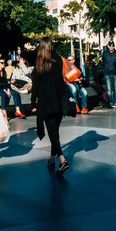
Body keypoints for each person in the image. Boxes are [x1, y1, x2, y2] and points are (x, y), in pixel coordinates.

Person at [31, 37, 70, 175]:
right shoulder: (59, 60)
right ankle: (52, 159)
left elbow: (35, 86)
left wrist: (33, 102)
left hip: (46, 102)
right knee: (55, 132)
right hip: (60, 100)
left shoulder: (39, 64)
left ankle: (62, 160)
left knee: (52, 133)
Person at [102, 40, 116, 108]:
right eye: (110, 45)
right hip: (107, 73)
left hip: (115, 73)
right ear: (108, 46)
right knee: (109, 90)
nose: (111, 47)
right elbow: (103, 62)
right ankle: (111, 102)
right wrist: (105, 69)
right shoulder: (105, 53)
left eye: (113, 45)